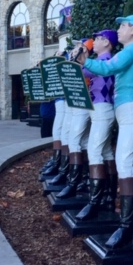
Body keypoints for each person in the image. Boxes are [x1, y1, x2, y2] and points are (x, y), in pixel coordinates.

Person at [76, 15, 133, 249]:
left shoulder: (130, 52)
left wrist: (84, 61)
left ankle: (126, 227)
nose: (118, 30)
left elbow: (108, 67)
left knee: (124, 162)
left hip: (130, 112)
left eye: (123, 26)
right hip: (132, 110)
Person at [75, 29, 118, 220]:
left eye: (99, 39)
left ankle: (95, 200)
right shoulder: (100, 61)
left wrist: (81, 53)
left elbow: (82, 70)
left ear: (107, 43)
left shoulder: (106, 61)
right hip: (99, 109)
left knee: (94, 151)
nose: (95, 42)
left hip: (102, 108)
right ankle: (108, 196)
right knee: (106, 151)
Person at [55, 39, 94, 199]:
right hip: (75, 103)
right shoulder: (79, 63)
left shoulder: (88, 64)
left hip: (83, 103)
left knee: (74, 140)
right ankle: (80, 179)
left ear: (85, 50)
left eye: (79, 46)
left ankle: (74, 181)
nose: (74, 49)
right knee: (80, 141)